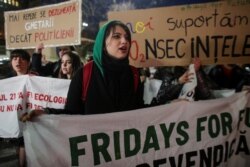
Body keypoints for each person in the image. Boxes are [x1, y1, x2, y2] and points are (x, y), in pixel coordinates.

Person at [21, 20, 144, 120]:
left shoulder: (133, 74)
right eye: (116, 36)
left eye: (127, 38)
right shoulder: (85, 74)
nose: (124, 41)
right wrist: (46, 114)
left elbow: (141, 112)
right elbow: (71, 114)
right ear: (102, 43)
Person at [5, 49, 37, 167]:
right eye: (14, 58)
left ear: (28, 63)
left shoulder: (35, 78)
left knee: (25, 144)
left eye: (22, 58)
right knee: (19, 145)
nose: (18, 61)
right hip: (15, 119)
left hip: (31, 117)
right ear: (11, 62)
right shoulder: (6, 81)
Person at [151, 57, 215, 105]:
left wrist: (196, 71)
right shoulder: (165, 70)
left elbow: (207, 96)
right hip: (172, 114)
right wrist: (178, 82)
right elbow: (160, 99)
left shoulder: (196, 69)